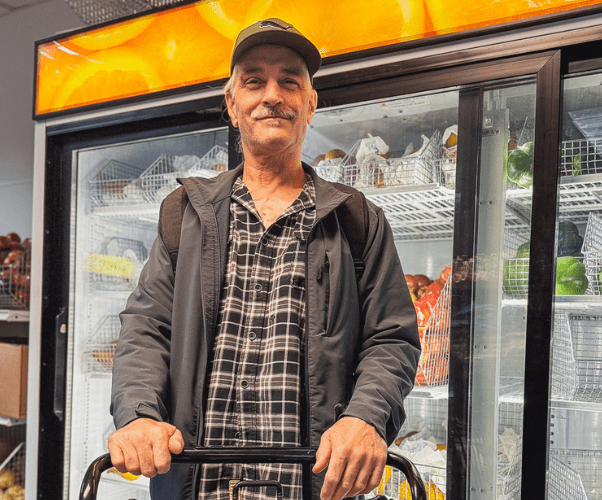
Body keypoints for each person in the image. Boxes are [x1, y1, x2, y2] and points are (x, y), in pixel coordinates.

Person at [108, 17, 420, 500]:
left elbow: (391, 338)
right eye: (253, 81)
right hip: (198, 485)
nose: (271, 94)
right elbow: (147, 328)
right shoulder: (185, 213)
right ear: (232, 105)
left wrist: (365, 418)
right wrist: (138, 414)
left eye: (289, 81)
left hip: (309, 487)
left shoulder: (357, 219)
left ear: (310, 104)